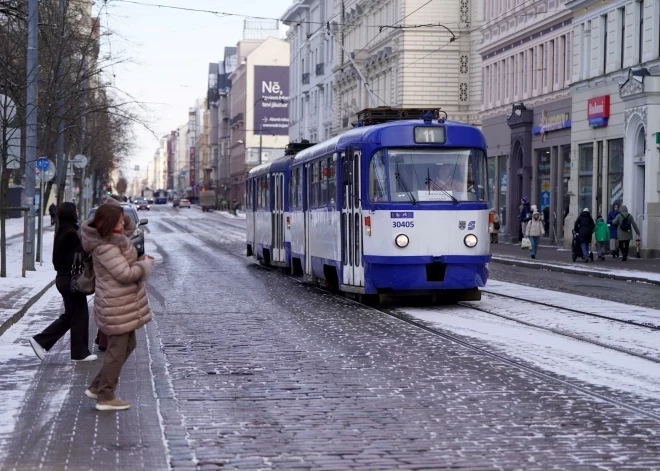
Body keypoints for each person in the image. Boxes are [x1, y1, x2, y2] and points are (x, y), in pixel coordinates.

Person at [81, 202, 154, 411]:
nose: (124, 222)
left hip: (120, 303)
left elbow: (128, 230)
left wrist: (121, 215)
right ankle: (105, 396)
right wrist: (144, 265)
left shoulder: (112, 238)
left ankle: (97, 387)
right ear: (110, 223)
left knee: (127, 345)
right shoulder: (105, 246)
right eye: (120, 219)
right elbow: (125, 274)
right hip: (115, 305)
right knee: (117, 350)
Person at [28, 202, 97, 362]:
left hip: (64, 279)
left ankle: (41, 341)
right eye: (76, 209)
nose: (78, 212)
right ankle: (79, 353)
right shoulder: (70, 233)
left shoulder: (63, 230)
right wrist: (87, 251)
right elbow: (69, 258)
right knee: (80, 314)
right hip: (70, 280)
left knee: (71, 315)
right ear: (71, 213)